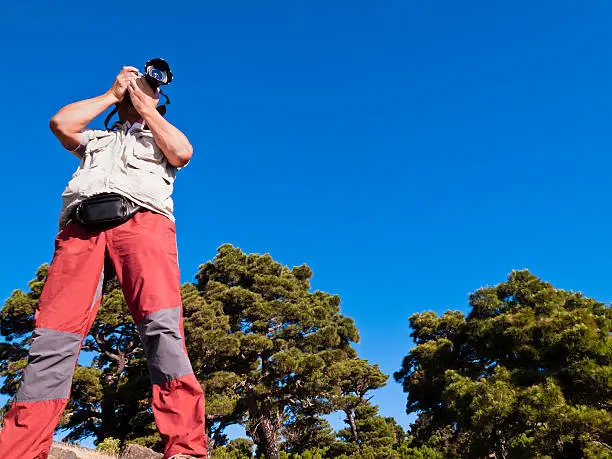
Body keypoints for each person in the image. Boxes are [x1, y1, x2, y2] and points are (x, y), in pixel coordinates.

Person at [0, 65, 205, 459]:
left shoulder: (160, 138)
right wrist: (113, 94)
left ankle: (185, 448)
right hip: (82, 228)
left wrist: (148, 109)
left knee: (162, 327)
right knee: (52, 336)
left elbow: (183, 151)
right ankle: (20, 450)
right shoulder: (97, 140)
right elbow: (61, 123)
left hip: (144, 222)